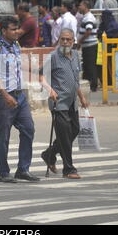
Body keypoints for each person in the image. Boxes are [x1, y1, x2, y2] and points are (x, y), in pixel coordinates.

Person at [0, 16, 40, 183]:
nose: (17, 32)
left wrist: (36, 70)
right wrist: (5, 95)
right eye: (13, 29)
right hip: (3, 99)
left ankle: (23, 169)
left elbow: (17, 67)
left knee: (28, 129)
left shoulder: (16, 45)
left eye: (17, 28)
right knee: (3, 136)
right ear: (4, 31)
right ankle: (3, 172)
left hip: (19, 95)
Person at [40, 29, 89, 179]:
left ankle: (49, 154)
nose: (66, 42)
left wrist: (82, 98)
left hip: (72, 102)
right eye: (63, 39)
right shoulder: (53, 57)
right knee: (65, 134)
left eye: (68, 39)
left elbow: (75, 80)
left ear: (73, 41)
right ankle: (69, 169)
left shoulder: (75, 55)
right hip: (58, 102)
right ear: (59, 40)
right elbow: (42, 77)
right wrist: (50, 90)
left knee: (74, 130)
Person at [77, 0, 99, 92]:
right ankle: (88, 84)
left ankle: (93, 85)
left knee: (90, 65)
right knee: (87, 65)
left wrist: (80, 41)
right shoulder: (85, 17)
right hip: (87, 45)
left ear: (85, 6)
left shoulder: (88, 17)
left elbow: (88, 31)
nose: (79, 7)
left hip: (90, 45)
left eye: (80, 5)